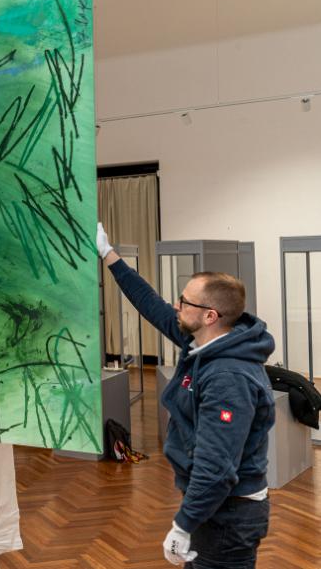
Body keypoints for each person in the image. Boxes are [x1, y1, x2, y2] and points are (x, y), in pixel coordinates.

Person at [96, 223, 275, 568]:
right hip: (215, 507)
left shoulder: (227, 378)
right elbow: (151, 304)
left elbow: (216, 468)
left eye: (185, 302)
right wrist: (108, 253)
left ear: (210, 316)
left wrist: (183, 525)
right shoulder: (203, 340)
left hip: (229, 515)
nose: (177, 306)